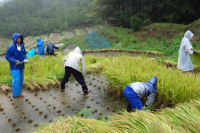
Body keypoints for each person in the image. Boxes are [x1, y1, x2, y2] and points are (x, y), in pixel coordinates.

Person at [5, 33, 28, 98]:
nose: (19, 39)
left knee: (21, 80)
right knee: (16, 80)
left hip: (21, 66)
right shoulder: (11, 47)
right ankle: (15, 95)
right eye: (17, 38)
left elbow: (24, 54)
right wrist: (14, 61)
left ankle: (19, 93)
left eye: (20, 38)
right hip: (15, 67)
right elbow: (7, 56)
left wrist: (25, 59)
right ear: (14, 39)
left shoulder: (22, 46)